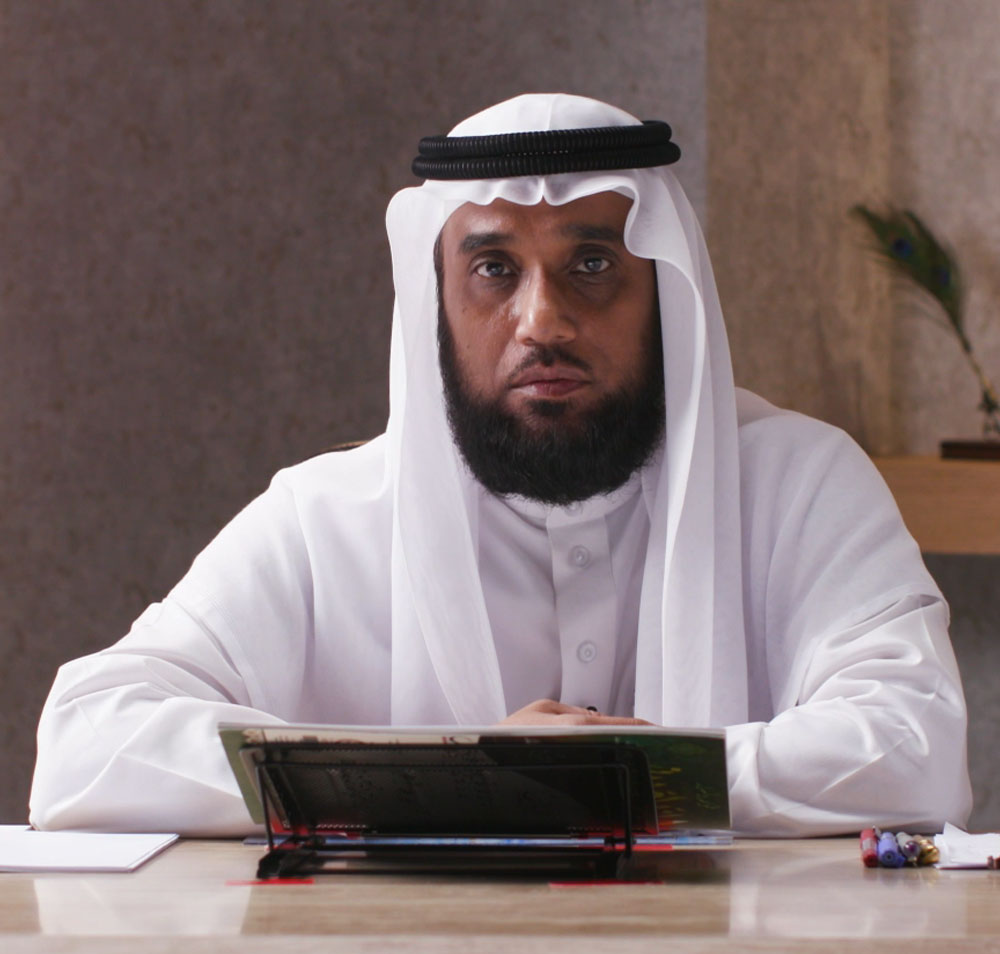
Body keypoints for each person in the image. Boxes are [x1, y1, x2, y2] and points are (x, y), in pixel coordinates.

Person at [30, 93, 972, 837]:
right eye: (493, 270)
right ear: (438, 301)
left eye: (592, 264)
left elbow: (916, 749)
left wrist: (623, 778)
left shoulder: (802, 484)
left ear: (664, 294)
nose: (541, 321)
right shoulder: (328, 518)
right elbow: (85, 744)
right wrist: (463, 774)